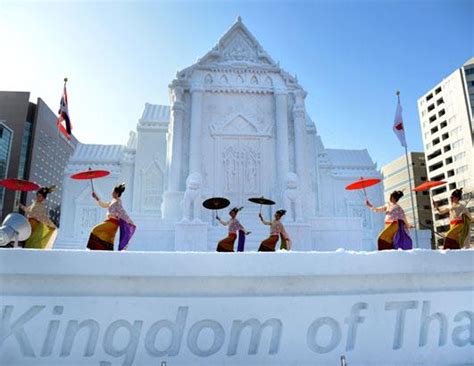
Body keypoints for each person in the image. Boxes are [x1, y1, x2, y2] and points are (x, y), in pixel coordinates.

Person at [87, 183, 136, 251]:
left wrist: (130, 222)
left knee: (95, 230)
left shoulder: (117, 202)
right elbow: (104, 205)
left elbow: (123, 213)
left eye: (113, 192)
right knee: (108, 239)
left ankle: (94, 247)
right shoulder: (112, 201)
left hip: (112, 223)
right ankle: (107, 252)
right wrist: (96, 198)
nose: (111, 193)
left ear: (116, 193)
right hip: (110, 222)